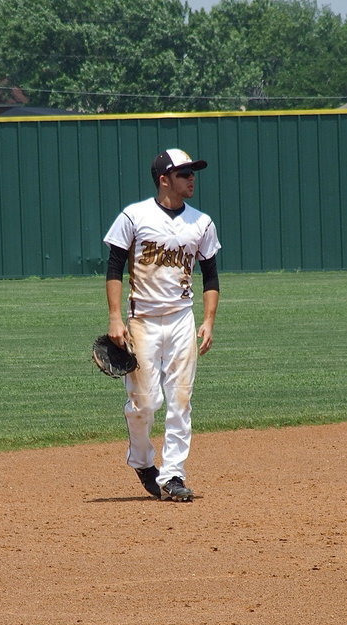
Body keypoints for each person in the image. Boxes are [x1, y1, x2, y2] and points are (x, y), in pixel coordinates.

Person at [103, 147, 221, 502]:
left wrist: (209, 320)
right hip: (143, 322)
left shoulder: (201, 222)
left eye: (192, 173)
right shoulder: (134, 216)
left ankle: (172, 476)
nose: (191, 179)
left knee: (180, 400)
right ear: (164, 179)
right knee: (145, 403)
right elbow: (113, 268)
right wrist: (113, 317)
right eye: (184, 174)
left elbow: (211, 276)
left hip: (182, 320)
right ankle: (141, 461)